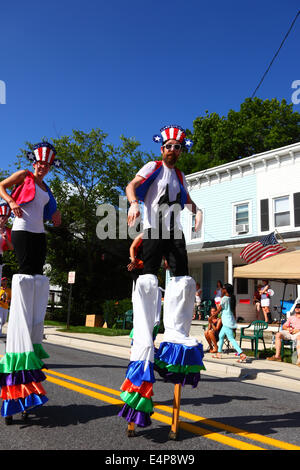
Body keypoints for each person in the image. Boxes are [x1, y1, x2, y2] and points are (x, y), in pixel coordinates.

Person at [118, 125, 205, 428]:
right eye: (168, 146)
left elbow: (188, 198)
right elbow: (131, 186)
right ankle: (144, 329)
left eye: (177, 147)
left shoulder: (180, 176)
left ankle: (176, 333)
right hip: (154, 229)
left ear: (181, 151)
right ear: (161, 148)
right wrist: (133, 204)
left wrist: (197, 211)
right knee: (147, 279)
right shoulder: (153, 166)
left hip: (175, 232)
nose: (172, 150)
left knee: (182, 279)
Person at [0, 142, 61, 424]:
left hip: (39, 234)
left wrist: (57, 217)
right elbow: (1, 186)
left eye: (46, 166)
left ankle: (34, 325)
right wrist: (11, 202)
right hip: (22, 230)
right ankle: (20, 319)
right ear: (34, 163)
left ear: (49, 168)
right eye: (39, 164)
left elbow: (53, 215)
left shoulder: (48, 190)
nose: (41, 168)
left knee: (38, 276)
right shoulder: (24, 175)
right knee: (25, 273)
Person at [212, 283, 247, 362]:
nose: (222, 289)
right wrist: (234, 322)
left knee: (231, 338)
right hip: (230, 320)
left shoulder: (224, 298)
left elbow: (219, 310)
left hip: (227, 321)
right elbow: (234, 312)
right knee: (221, 336)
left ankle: (242, 354)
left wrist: (211, 317)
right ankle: (219, 353)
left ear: (226, 290)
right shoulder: (232, 298)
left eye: (223, 288)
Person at [0, 203, 14, 280]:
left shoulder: (8, 231)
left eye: (6, 217)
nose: (4, 219)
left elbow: (12, 248)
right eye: (2, 217)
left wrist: (6, 239)